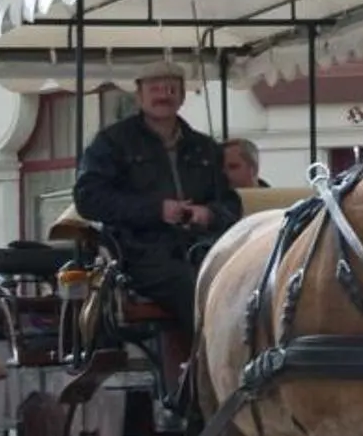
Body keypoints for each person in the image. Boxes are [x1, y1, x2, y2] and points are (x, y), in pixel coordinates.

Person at [74, 64, 240, 339]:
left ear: (183, 95)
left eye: (172, 88)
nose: (164, 94)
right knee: (193, 285)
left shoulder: (205, 147)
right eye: (155, 88)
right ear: (138, 95)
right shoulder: (112, 143)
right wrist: (157, 210)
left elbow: (230, 205)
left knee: (246, 275)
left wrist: (208, 214)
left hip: (201, 246)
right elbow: (88, 199)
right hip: (139, 253)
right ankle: (208, 364)